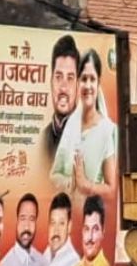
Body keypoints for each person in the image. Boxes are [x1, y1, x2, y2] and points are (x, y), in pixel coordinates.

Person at [50, 48, 117, 200]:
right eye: (84, 79)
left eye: (92, 79)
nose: (88, 86)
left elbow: (111, 189)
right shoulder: (71, 123)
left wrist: (85, 185)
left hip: (91, 218)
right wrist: (70, 182)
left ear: (98, 82)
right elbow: (54, 174)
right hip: (66, 215)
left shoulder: (106, 130)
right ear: (78, 82)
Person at [42, 35, 80, 165]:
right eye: (58, 77)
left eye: (70, 78)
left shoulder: (88, 136)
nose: (63, 88)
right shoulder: (42, 139)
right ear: (51, 81)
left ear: (78, 85)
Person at [0, 193, 47, 266]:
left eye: (32, 219)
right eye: (23, 218)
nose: (27, 227)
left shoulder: (43, 263)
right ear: (16, 221)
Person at [71, 194, 111, 266]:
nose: (90, 237)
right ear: (82, 231)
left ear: (103, 231)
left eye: (95, 229)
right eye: (87, 229)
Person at [44, 192, 80, 266]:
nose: (56, 230)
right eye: (53, 223)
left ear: (69, 226)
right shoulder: (45, 254)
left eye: (61, 223)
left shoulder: (74, 264)